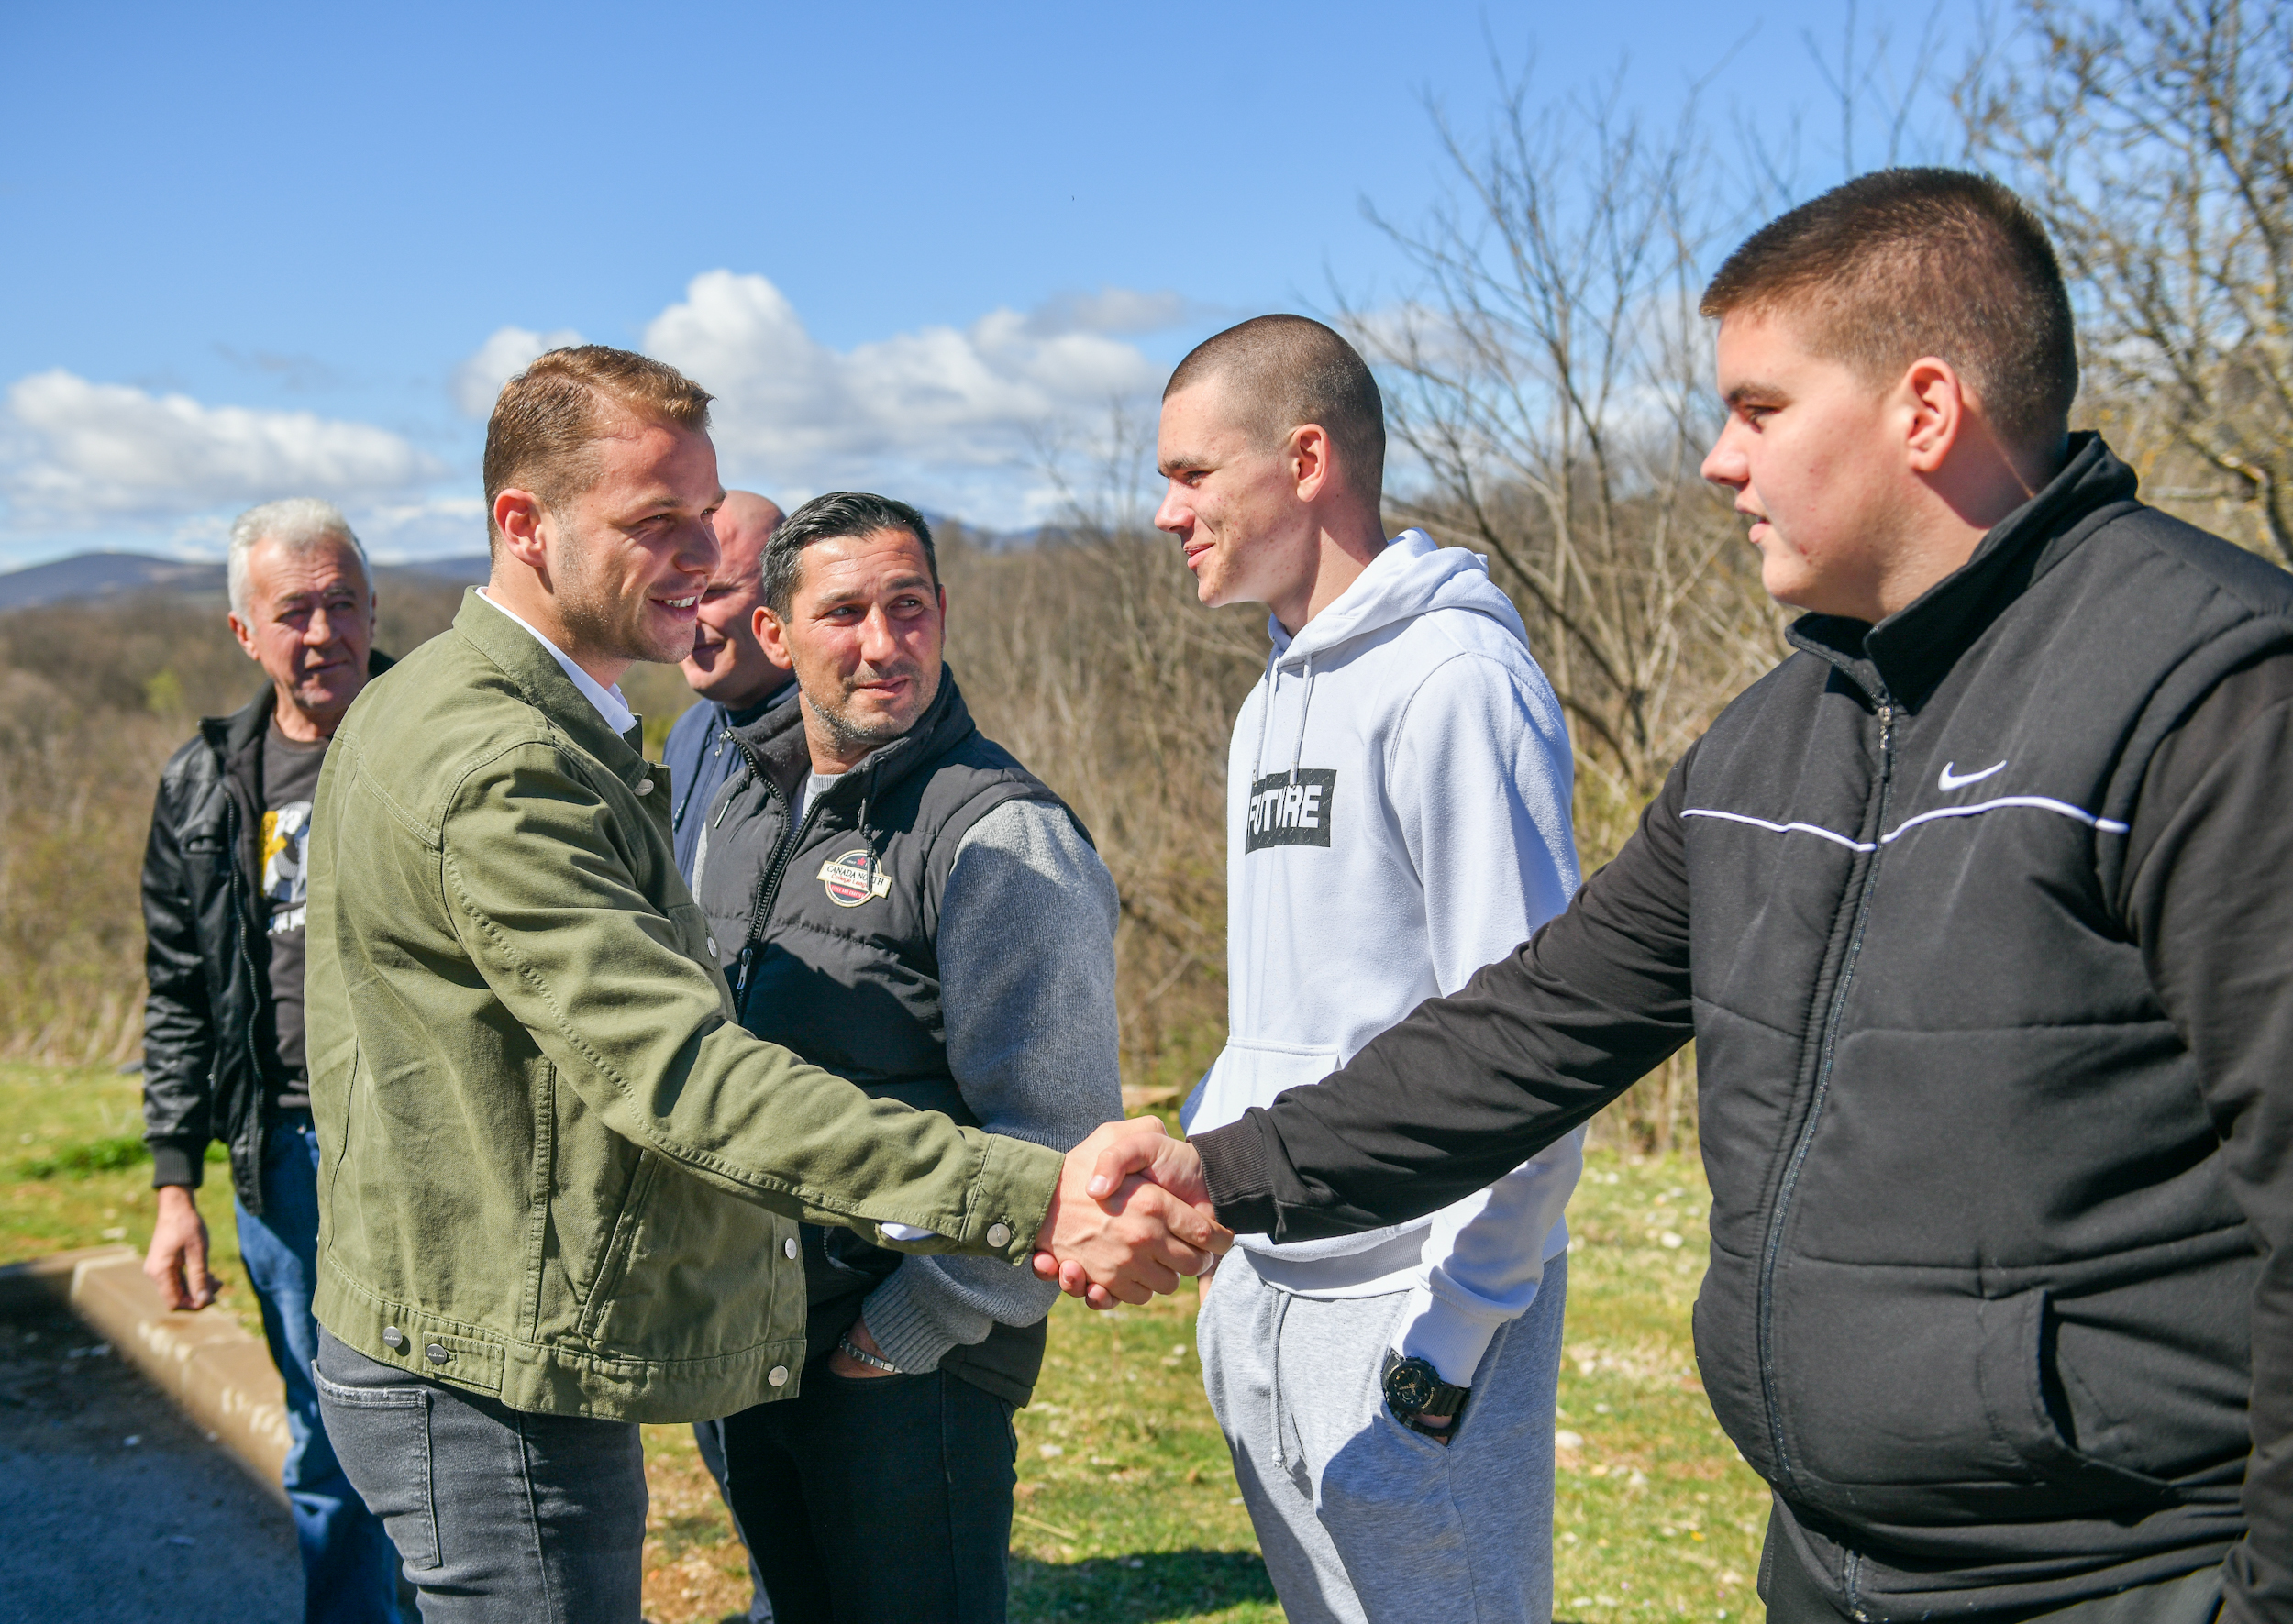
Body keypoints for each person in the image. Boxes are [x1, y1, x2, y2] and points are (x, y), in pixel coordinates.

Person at [1066, 169, 2293, 1623]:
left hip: (2121, 1574)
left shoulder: (2216, 695)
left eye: (1759, 409)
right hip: (1830, 1562)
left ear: (1924, 409)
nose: (1717, 460)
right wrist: (1221, 1170)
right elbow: (1526, 1033)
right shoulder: (1774, 742)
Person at [301, 344, 1224, 1622]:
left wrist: (922, 1310)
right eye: (655, 521)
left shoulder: (475, 712)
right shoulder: (518, 761)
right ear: (523, 524)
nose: (700, 557)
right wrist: (1033, 1198)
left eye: (707, 513)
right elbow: (681, 1069)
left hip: (764, 1342)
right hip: (491, 1362)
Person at [1146, 315, 1583, 1624]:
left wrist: (1450, 1337)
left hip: (1417, 1314)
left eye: (1191, 474)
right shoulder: (1265, 700)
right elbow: (1294, 1004)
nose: (1166, 513)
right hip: (1273, 1287)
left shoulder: (1455, 678)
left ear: (1306, 459)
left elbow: (1537, 1047)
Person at [687, 489, 1122, 1623]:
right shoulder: (738, 804)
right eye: (844, 613)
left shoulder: (1002, 836)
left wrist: (903, 1334)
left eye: (909, 606)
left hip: (906, 1362)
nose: (884, 643)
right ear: (775, 635)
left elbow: (1059, 1142)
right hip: (750, 1335)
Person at [139, 497, 404, 1622]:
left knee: (454, 1436)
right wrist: (174, 1184)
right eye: (293, 611)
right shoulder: (203, 787)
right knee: (326, 1435)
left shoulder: (442, 740)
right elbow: (179, 996)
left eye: (343, 602)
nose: (323, 631)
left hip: (427, 1141)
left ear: (375, 610)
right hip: (285, 1153)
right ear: (245, 632)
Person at [659, 486, 795, 1624]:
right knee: (730, 1443)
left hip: (802, 1151)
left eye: (721, 588)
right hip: (709, 1159)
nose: (694, 614)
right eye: (684, 586)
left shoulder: (838, 735)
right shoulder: (688, 734)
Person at [663, 488, 796, 878]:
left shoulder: (830, 748)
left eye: (713, 592)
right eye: (675, 594)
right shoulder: (687, 732)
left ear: (782, 599)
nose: (688, 616)